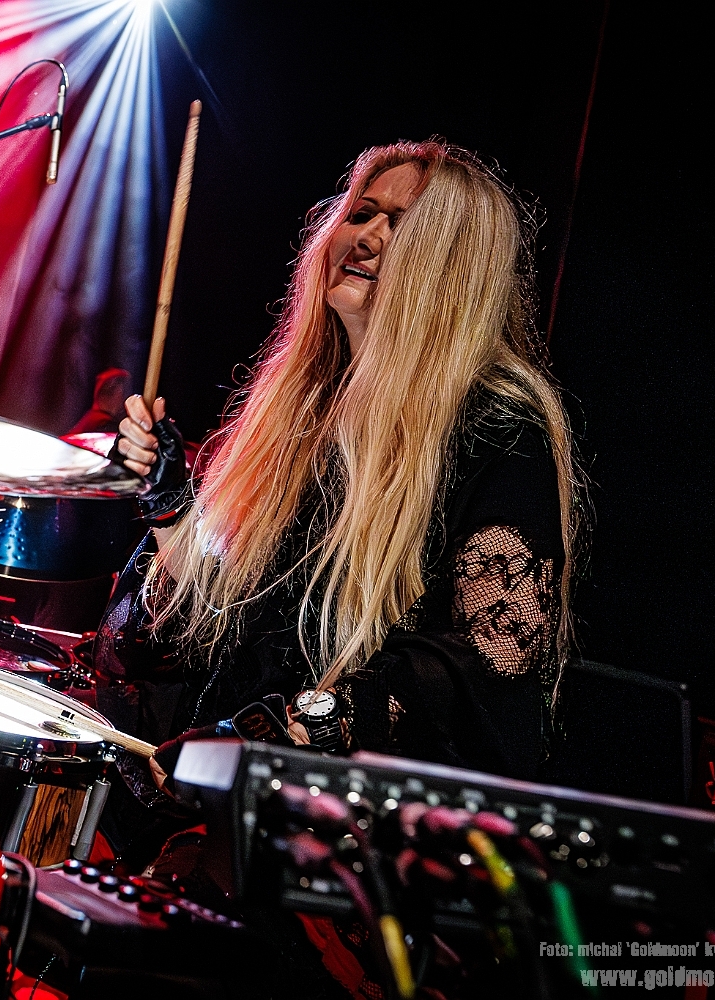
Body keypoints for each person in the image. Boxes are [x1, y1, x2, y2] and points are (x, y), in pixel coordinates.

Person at [98, 140, 582, 822]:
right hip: (223, 814)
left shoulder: (496, 426)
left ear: (452, 268)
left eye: (402, 225)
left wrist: (293, 729)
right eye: (361, 213)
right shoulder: (308, 404)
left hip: (359, 835)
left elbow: (494, 654)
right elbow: (213, 626)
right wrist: (174, 509)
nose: (368, 237)